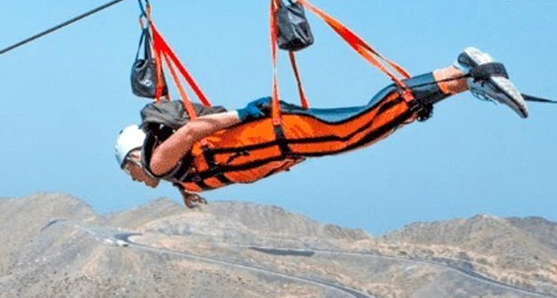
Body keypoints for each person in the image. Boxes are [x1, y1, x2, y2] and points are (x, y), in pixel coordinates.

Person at [115, 47, 528, 208]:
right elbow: (200, 164)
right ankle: (463, 82)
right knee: (369, 130)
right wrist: (189, 194)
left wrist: (243, 114)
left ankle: (463, 71)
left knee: (360, 125)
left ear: (136, 155)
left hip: (279, 135)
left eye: (129, 170)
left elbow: (191, 133)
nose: (136, 178)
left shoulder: (158, 163)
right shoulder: (178, 176)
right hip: (286, 142)